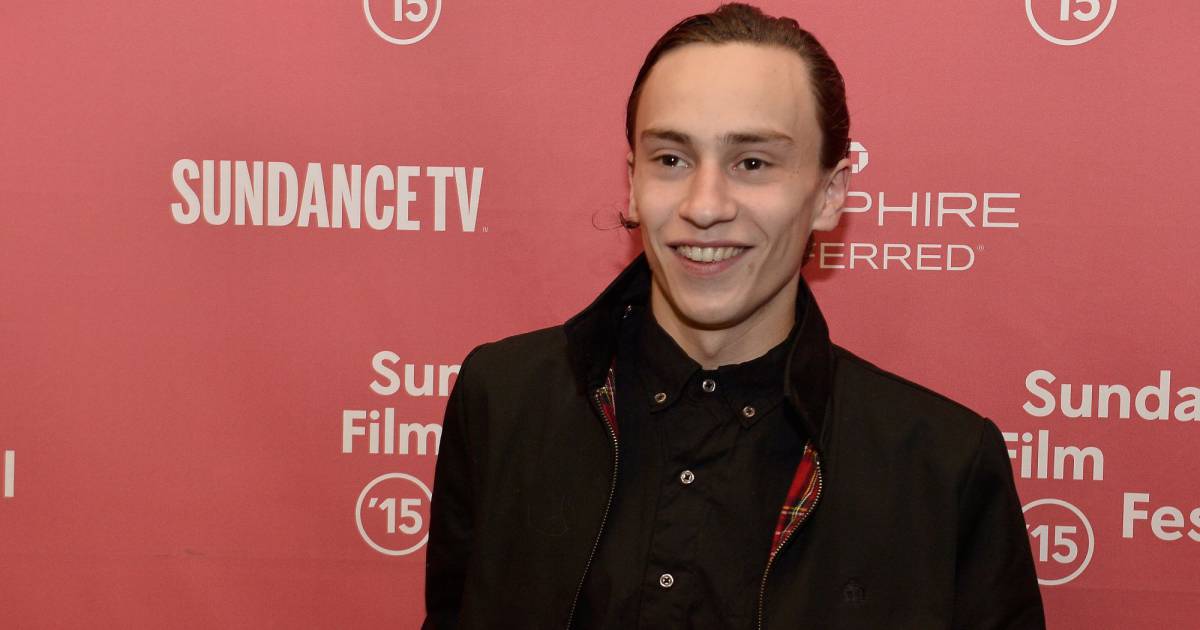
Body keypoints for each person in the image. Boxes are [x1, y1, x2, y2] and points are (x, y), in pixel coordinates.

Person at [422, 3, 1044, 629]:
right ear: (633, 183)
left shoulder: (943, 468)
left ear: (830, 194)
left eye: (752, 163)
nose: (705, 206)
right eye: (672, 159)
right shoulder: (502, 400)